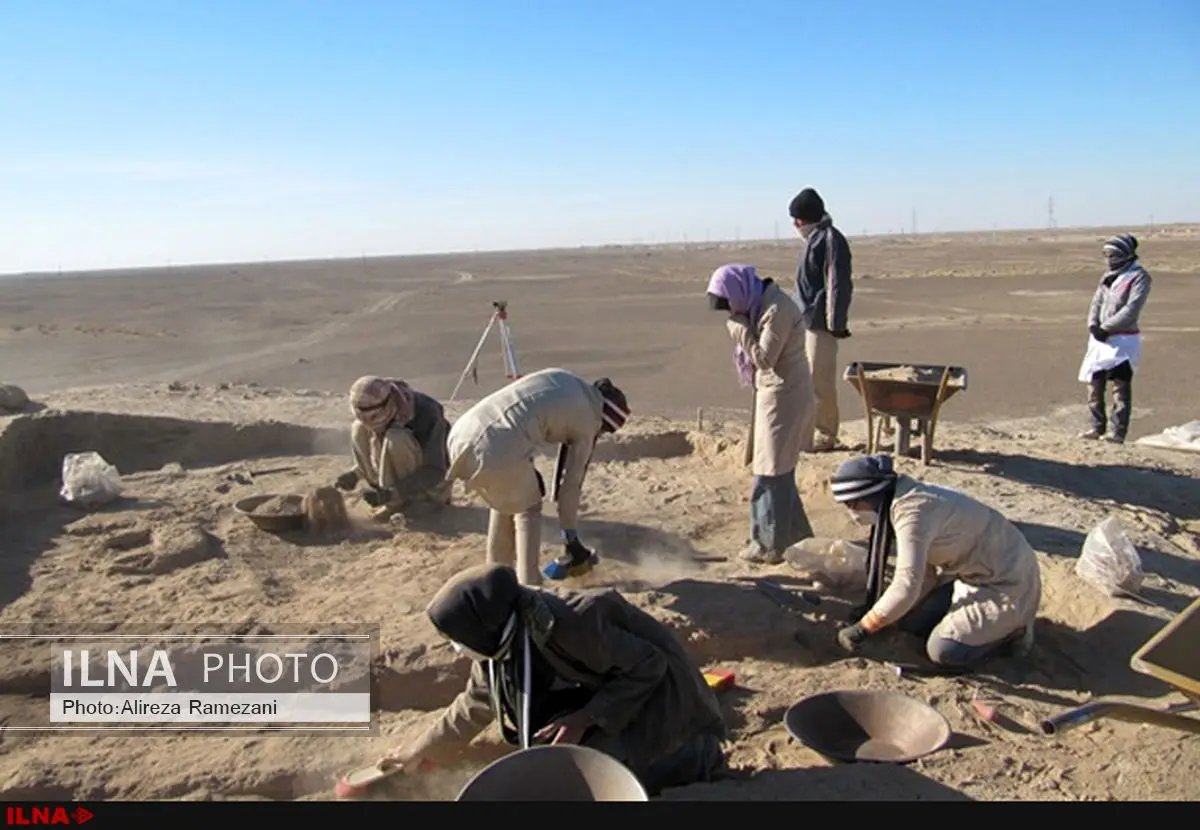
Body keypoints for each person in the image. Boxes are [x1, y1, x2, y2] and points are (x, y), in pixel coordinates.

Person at [376, 564, 729, 797]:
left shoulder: (576, 622)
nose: (456, 649)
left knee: (594, 766)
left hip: (663, 695)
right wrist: (420, 749)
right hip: (606, 687)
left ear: (482, 629)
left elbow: (649, 666)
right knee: (550, 743)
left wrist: (585, 718)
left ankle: (695, 757)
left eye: (458, 639)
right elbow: (475, 703)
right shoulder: (501, 633)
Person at [830, 454, 1041, 670]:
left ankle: (1015, 631)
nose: (852, 513)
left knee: (943, 652)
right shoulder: (898, 498)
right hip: (971, 574)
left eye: (852, 504)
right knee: (910, 623)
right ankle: (980, 626)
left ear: (870, 494)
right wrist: (880, 616)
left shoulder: (913, 513)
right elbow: (925, 576)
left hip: (1006, 583)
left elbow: (907, 584)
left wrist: (863, 628)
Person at [446, 368, 630, 585]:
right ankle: (530, 584)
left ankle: (495, 573)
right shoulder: (589, 420)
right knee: (528, 508)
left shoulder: (564, 378)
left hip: (461, 434)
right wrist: (570, 537)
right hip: (495, 446)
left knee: (507, 497)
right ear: (606, 419)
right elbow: (571, 485)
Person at [707, 264, 816, 564]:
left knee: (771, 473)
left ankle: (767, 545)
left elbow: (766, 358)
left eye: (728, 304)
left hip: (786, 397)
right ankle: (796, 537)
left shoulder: (777, 309)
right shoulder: (764, 305)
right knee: (777, 469)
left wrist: (741, 332)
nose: (730, 312)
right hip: (774, 395)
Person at [789, 187, 853, 451]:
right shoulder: (814, 240)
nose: (795, 225)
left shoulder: (830, 239)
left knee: (820, 381)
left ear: (807, 218)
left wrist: (835, 324)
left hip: (822, 325)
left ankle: (825, 433)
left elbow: (837, 283)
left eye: (798, 220)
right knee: (806, 380)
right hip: (805, 322)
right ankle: (807, 430)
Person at [336, 376, 451, 519]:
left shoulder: (426, 413)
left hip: (430, 488)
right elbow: (380, 451)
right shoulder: (371, 419)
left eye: (373, 416)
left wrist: (393, 493)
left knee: (396, 438)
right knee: (358, 428)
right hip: (391, 485)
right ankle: (389, 497)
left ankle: (409, 502)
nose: (369, 422)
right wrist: (356, 474)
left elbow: (435, 471)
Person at [1077, 233, 1152, 444]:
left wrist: (1107, 327)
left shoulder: (1139, 277)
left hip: (1123, 339)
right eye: (1107, 254)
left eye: (1114, 254)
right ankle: (1096, 426)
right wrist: (1093, 324)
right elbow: (1097, 302)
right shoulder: (1107, 277)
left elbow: (1132, 309)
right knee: (1094, 383)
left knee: (1120, 386)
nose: (1110, 259)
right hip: (1100, 339)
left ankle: (1117, 433)